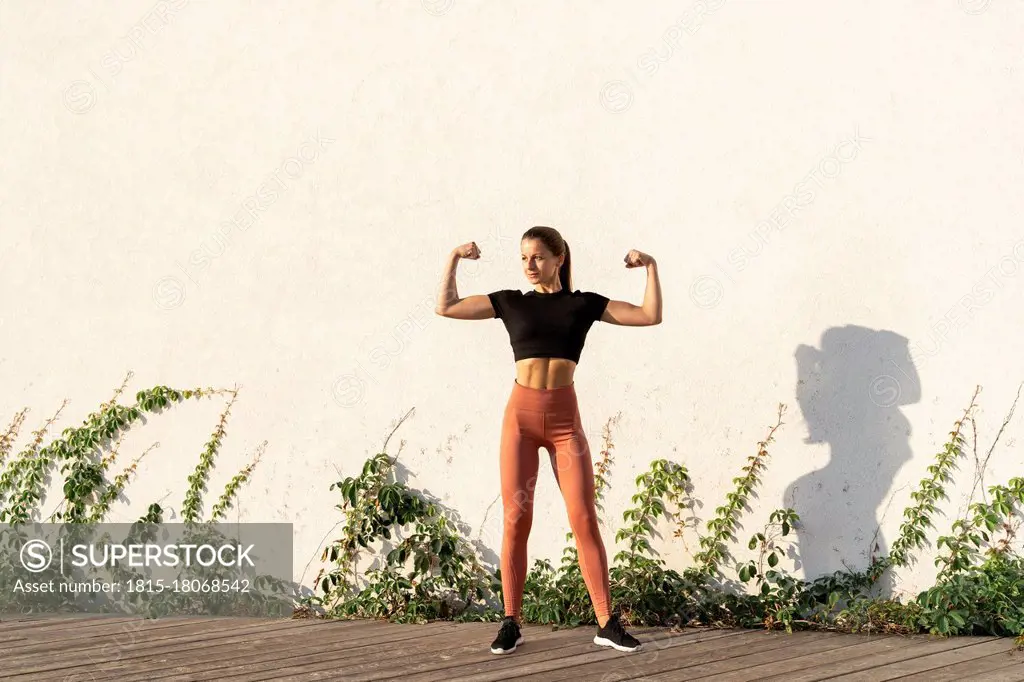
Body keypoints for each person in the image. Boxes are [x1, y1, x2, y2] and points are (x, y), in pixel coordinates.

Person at [435, 225, 662, 655]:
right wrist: (453, 256)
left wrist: (650, 267)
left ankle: (606, 622)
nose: (530, 266)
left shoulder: (583, 304)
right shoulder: (510, 302)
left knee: (583, 517)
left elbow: (649, 315)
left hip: (563, 422)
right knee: (516, 519)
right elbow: (445, 306)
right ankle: (511, 621)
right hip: (520, 420)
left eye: (538, 257)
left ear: (559, 258)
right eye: (524, 258)